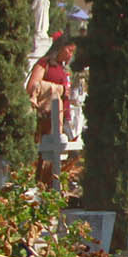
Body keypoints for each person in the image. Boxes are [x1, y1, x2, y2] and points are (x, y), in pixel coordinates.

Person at [26, 35, 76, 187]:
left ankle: (56, 184)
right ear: (60, 47)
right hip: (47, 117)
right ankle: (43, 184)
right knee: (46, 156)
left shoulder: (62, 68)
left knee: (70, 155)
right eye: (69, 50)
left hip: (63, 117)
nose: (70, 55)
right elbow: (32, 86)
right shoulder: (44, 63)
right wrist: (57, 89)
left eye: (73, 52)